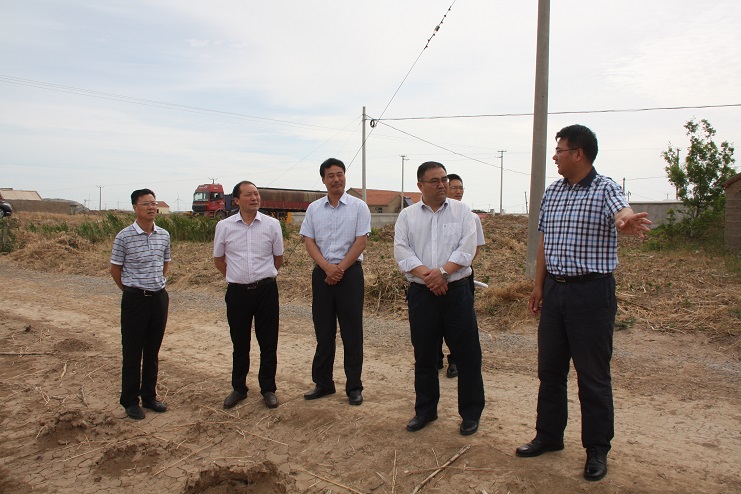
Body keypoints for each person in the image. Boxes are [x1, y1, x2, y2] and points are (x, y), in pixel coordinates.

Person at [516, 124, 651, 481]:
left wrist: (626, 222)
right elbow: (545, 241)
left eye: (559, 150)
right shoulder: (553, 192)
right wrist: (538, 286)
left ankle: (597, 449)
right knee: (550, 370)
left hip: (591, 294)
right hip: (555, 291)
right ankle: (548, 435)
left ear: (578, 153)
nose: (554, 156)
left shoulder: (605, 188)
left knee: (592, 375)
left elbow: (622, 212)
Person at [394, 161, 486, 436]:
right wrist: (429, 276)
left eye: (444, 179)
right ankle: (425, 411)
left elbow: (467, 249)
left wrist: (443, 273)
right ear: (420, 185)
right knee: (424, 356)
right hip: (422, 294)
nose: (442, 184)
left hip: (457, 292)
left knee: (468, 355)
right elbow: (402, 251)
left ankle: (470, 414)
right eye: (434, 180)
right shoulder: (407, 216)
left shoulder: (462, 212)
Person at [300, 158, 371, 406]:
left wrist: (339, 268)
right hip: (322, 274)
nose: (336, 179)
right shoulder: (314, 209)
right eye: (331, 175)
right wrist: (327, 267)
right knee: (324, 331)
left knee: (352, 333)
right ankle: (323, 383)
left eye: (340, 174)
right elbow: (309, 241)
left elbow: (361, 242)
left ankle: (354, 387)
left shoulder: (359, 207)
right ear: (323, 179)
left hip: (349, 274)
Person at [214, 181, 284, 410]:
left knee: (268, 343)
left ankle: (268, 389)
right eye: (248, 195)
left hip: (266, 291)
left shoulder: (272, 224)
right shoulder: (224, 226)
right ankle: (239, 388)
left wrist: (263, 277)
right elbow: (219, 260)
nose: (254, 198)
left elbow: (278, 258)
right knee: (240, 343)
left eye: (256, 194)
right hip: (237, 293)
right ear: (236, 200)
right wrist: (237, 276)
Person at [110, 189, 171, 420]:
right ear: (135, 207)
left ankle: (149, 397)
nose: (151, 207)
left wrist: (153, 286)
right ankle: (129, 400)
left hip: (158, 298)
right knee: (132, 352)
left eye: (153, 203)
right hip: (135, 299)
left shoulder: (163, 235)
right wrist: (131, 290)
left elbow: (165, 264)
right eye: (146, 204)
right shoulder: (124, 237)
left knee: (152, 351)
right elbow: (115, 269)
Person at [438, 173, 486, 378]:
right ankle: (434, 356)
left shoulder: (470, 217)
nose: (458, 191)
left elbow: (475, 248)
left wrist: (453, 269)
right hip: (432, 277)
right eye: (454, 187)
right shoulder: (434, 215)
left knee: (460, 323)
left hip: (460, 277)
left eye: (461, 188)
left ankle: (455, 360)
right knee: (434, 320)